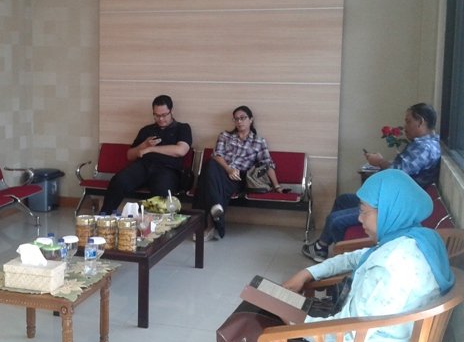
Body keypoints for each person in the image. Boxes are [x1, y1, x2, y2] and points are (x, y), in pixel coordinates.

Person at [212, 169, 454, 342]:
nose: (359, 219)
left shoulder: (388, 269)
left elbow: (344, 337)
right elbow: (357, 257)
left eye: (364, 211)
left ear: (390, 210)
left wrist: (293, 320)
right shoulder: (417, 239)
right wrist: (308, 273)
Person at [302, 102, 441, 262]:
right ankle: (323, 246)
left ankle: (340, 256)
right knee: (342, 200)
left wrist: (380, 162)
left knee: (335, 220)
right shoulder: (424, 144)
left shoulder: (425, 148)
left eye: (408, 121)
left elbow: (397, 173)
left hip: (391, 208)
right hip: (389, 200)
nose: (405, 126)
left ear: (420, 122)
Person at [193, 105, 283, 241]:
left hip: (238, 178)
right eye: (236, 119)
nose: (239, 121)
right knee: (211, 164)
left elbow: (267, 164)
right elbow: (217, 155)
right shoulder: (225, 136)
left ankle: (210, 224)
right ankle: (215, 211)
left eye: (243, 118)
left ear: (251, 119)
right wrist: (228, 169)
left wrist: (277, 186)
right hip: (222, 171)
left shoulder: (258, 141)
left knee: (208, 182)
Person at [99, 95, 192, 214]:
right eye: (156, 115)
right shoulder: (146, 130)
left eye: (164, 115)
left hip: (168, 169)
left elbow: (181, 150)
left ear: (171, 111)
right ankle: (104, 216)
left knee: (161, 193)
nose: (161, 119)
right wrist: (144, 145)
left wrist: (151, 149)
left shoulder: (182, 128)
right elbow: (130, 155)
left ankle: (154, 223)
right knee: (119, 180)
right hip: (143, 166)